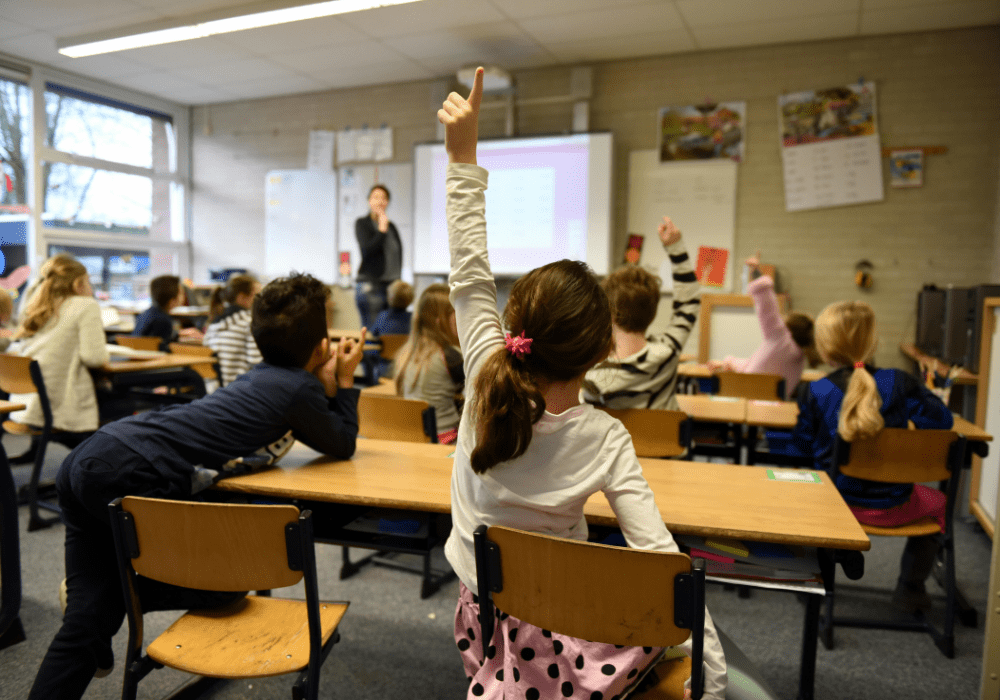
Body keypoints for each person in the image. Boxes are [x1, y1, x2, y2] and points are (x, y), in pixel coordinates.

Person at [437, 67, 726, 700]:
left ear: (514, 327)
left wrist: (463, 159)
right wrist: (712, 673)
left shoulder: (486, 377)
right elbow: (660, 557)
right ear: (598, 352)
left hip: (481, 617)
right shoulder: (605, 437)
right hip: (570, 619)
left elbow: (468, 271)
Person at [26, 272, 366, 700]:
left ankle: (100, 603)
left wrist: (325, 381)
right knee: (229, 583)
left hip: (90, 457)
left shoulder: (256, 377)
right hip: (131, 471)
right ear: (321, 346)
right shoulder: (298, 388)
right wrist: (346, 382)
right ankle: (124, 594)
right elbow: (343, 444)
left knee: (83, 622)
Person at [789, 300, 953, 612]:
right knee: (939, 504)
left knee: (804, 492)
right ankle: (911, 587)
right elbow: (941, 422)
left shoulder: (816, 391)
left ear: (825, 348)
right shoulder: (900, 383)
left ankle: (824, 564)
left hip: (834, 508)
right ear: (872, 342)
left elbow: (801, 449)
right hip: (895, 506)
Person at [583, 219, 701, 411]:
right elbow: (689, 302)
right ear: (652, 312)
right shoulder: (667, 354)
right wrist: (675, 247)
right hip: (664, 441)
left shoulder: (593, 378)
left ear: (608, 314)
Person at [8, 253, 109, 439]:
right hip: (59, 406)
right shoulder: (85, 305)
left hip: (28, 402)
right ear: (77, 284)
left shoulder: (36, 303)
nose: (90, 287)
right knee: (121, 405)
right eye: (88, 282)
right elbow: (94, 358)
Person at [708, 253, 819, 399]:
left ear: (789, 328)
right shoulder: (799, 357)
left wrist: (756, 272)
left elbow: (767, 305)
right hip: (775, 412)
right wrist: (727, 362)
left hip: (752, 407)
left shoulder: (780, 339)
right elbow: (754, 367)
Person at [394, 283, 464, 444]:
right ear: (441, 321)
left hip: (414, 439)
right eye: (457, 314)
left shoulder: (407, 352)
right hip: (446, 440)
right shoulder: (449, 356)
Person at [355, 183, 403, 329]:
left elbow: (397, 255)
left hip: (391, 286)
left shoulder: (392, 226)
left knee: (388, 331)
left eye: (383, 198)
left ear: (387, 202)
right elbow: (367, 250)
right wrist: (381, 230)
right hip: (371, 285)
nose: (380, 201)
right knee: (372, 331)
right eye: (376, 197)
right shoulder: (363, 223)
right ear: (369, 201)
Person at [203, 273, 263, 386]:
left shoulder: (214, 324)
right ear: (242, 297)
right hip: (239, 392)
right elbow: (257, 364)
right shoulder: (249, 323)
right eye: (257, 295)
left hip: (214, 392)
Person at [363, 278, 414, 382]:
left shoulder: (383, 317)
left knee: (369, 351)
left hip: (384, 368)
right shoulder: (414, 319)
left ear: (389, 298)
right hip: (407, 366)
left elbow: (373, 334)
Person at [132, 275, 201, 349]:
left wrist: (178, 335)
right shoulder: (163, 320)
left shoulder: (147, 314)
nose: (184, 295)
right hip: (152, 357)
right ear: (172, 300)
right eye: (181, 293)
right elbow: (163, 348)